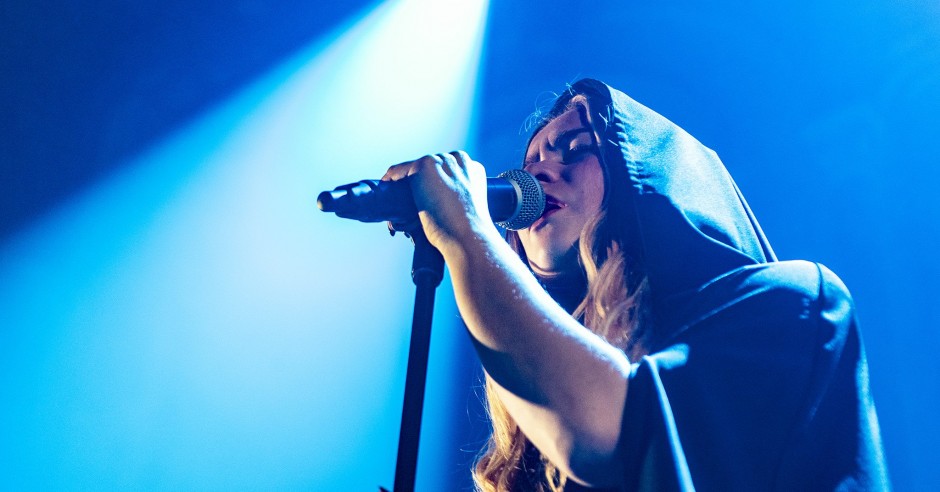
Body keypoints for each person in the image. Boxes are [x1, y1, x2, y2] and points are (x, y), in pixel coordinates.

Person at [381, 79, 889, 491]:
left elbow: (607, 434)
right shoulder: (535, 427)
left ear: (641, 173)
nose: (538, 172)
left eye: (576, 148)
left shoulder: (796, 304)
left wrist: (469, 235)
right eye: (531, 160)